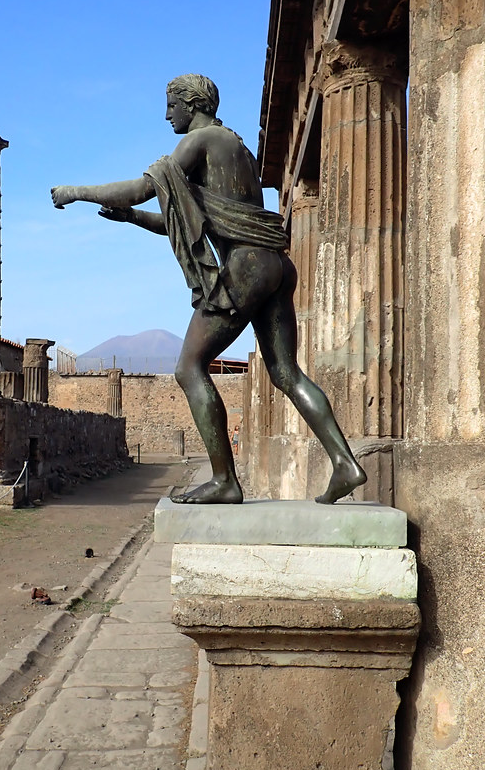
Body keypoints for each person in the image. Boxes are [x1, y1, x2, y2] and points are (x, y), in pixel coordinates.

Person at [51, 74, 366, 504]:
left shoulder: (200, 141)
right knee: (286, 373)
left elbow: (142, 189)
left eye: (171, 105)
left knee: (188, 368)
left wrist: (77, 191)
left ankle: (224, 481)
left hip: (245, 268)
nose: (167, 115)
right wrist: (132, 220)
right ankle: (345, 462)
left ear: (191, 104)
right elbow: (190, 222)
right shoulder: (237, 149)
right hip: (274, 265)